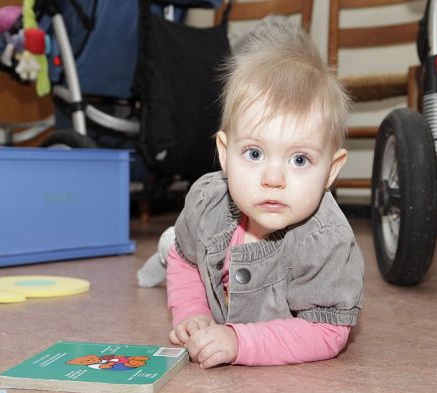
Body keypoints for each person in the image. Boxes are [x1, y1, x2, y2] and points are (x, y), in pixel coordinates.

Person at [138, 24, 364, 368]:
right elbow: (187, 262)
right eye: (255, 153)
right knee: (179, 248)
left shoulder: (327, 242)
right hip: (196, 239)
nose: (273, 179)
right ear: (225, 153)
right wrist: (192, 312)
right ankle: (168, 242)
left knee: (187, 245)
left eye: (299, 160)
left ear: (331, 171)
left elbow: (326, 331)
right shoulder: (207, 203)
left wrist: (240, 341)